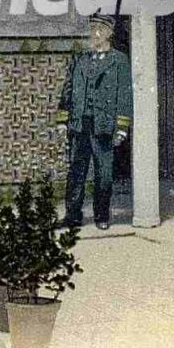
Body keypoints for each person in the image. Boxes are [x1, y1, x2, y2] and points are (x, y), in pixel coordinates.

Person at [55, 14, 132, 230]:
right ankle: (73, 216)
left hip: (104, 124)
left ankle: (101, 216)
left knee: (104, 173)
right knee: (76, 172)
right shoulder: (80, 58)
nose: (94, 33)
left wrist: (122, 128)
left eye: (99, 29)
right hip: (80, 123)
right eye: (92, 28)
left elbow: (124, 96)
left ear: (109, 33)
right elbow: (68, 89)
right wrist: (63, 120)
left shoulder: (119, 60)